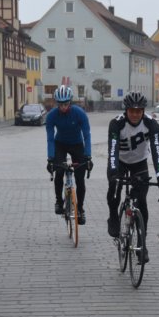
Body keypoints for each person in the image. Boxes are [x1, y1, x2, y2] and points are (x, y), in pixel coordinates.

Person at [106, 91, 159, 264]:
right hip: (119, 162)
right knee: (114, 190)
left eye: (139, 111)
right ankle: (113, 217)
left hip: (140, 163)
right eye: (132, 111)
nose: (135, 114)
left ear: (143, 111)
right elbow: (112, 151)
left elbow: (157, 150)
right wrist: (114, 174)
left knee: (141, 201)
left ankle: (142, 244)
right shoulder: (116, 124)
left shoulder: (151, 124)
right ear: (126, 110)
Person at [45, 85, 92, 224]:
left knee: (80, 179)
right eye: (60, 104)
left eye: (66, 104)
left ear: (70, 102)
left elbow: (87, 135)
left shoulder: (79, 113)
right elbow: (50, 139)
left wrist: (88, 156)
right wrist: (50, 159)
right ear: (57, 103)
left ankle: (80, 209)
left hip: (77, 144)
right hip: (60, 144)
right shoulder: (52, 115)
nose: (63, 107)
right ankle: (59, 201)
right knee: (59, 171)